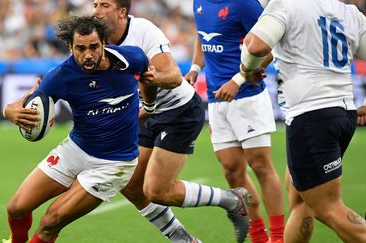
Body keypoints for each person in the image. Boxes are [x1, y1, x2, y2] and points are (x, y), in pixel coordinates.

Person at [93, 1, 251, 242]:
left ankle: (231, 200)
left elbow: (174, 76)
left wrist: (152, 78)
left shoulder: (144, 31)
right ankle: (182, 239)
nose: (96, 10)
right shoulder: (97, 42)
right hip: (147, 112)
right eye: (94, 4)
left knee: (156, 191)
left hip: (179, 112)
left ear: (122, 12)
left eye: (104, 5)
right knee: (130, 184)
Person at [1, 15, 159, 243]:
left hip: (114, 163)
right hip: (76, 150)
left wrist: (150, 106)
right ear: (70, 47)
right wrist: (9, 112)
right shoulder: (61, 76)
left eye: (94, 47)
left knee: (50, 222)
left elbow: (147, 77)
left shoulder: (132, 57)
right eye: (80, 48)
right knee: (16, 208)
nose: (87, 54)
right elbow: (27, 105)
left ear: (104, 43)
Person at [236, 0, 366, 241]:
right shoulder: (348, 12)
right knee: (300, 199)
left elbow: (254, 46)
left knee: (327, 207)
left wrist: (248, 70)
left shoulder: (287, 4)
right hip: (342, 114)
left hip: (311, 118)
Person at [184, 1, 285, 243]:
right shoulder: (199, 3)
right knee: (231, 171)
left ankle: (279, 238)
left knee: (260, 166)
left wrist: (238, 80)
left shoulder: (245, 4)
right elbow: (203, 36)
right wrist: (195, 68)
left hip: (248, 97)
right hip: (217, 99)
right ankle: (259, 236)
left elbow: (268, 49)